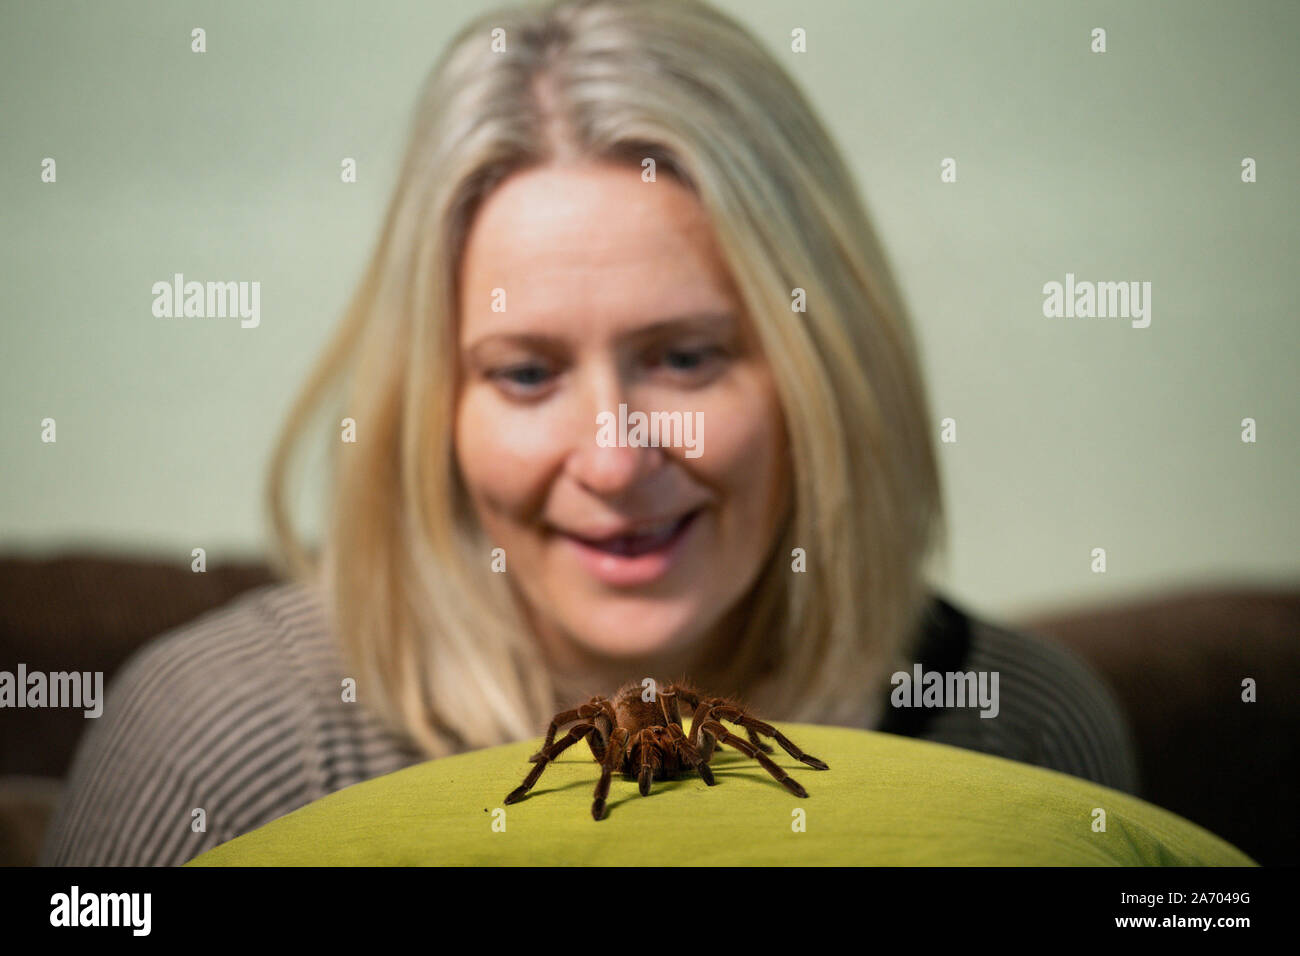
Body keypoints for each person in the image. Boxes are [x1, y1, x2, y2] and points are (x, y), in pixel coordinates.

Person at [40, 0, 1138, 866]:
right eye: (525, 373)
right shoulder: (219, 746)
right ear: (436, 406)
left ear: (826, 373)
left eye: (687, 356)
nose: (613, 460)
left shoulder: (1020, 734)